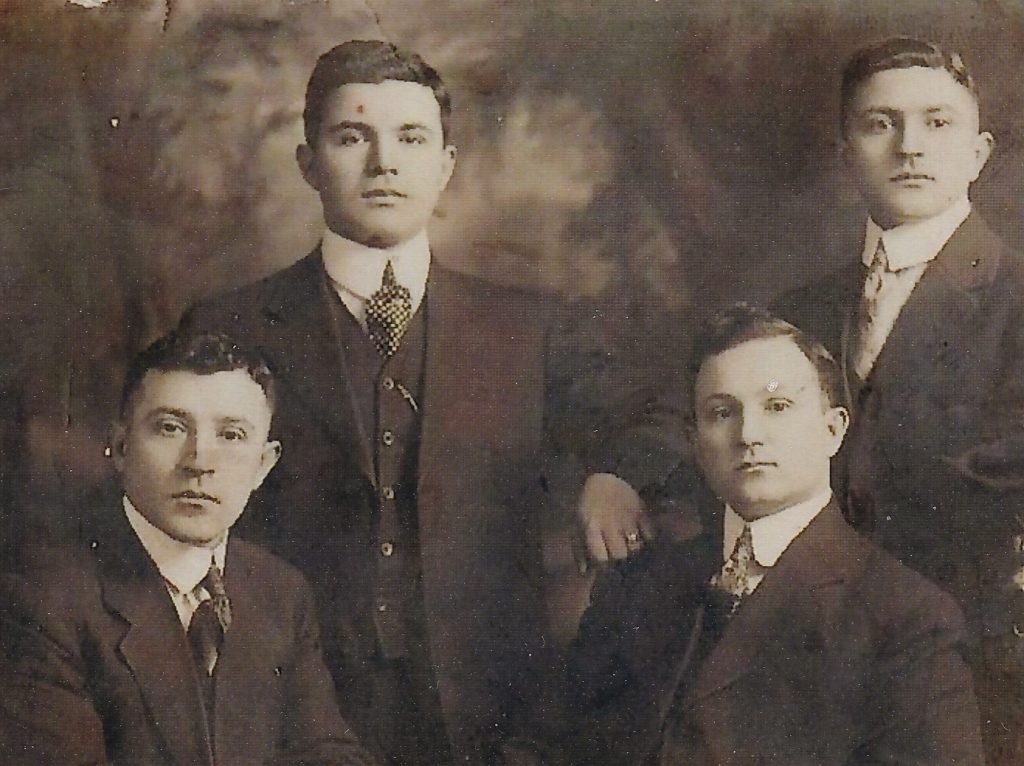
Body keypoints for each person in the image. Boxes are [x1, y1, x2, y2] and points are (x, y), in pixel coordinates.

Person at [179, 39, 686, 764]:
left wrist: (617, 474)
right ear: (308, 163)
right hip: (288, 703)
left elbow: (668, 410)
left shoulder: (529, 327)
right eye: (352, 137)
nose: (384, 163)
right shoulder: (229, 324)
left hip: (490, 714)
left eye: (411, 138)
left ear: (446, 166)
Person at [555, 305, 983, 765]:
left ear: (833, 429)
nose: (749, 434)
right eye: (722, 412)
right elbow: (556, 745)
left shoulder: (908, 617)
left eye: (777, 407)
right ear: (695, 440)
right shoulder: (637, 583)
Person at [772, 37, 1024, 762]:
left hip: (975, 655)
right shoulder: (802, 310)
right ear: (845, 152)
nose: (910, 145)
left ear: (978, 153)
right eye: (880, 123)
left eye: (938, 123)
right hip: (817, 652)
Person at [0, 332, 375, 766]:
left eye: (232, 435)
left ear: (264, 464)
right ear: (121, 448)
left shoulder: (280, 592)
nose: (199, 461)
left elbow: (331, 755)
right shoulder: (41, 601)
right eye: (170, 428)